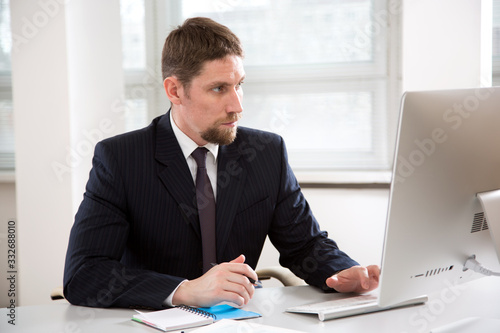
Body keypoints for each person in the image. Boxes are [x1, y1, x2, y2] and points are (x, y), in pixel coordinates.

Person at [63, 17, 380, 310]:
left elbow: (306, 247)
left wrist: (343, 271)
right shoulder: (121, 159)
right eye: (219, 89)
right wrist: (184, 290)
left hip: (240, 323)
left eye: (239, 84)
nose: (237, 106)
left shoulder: (266, 151)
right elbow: (83, 274)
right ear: (175, 90)